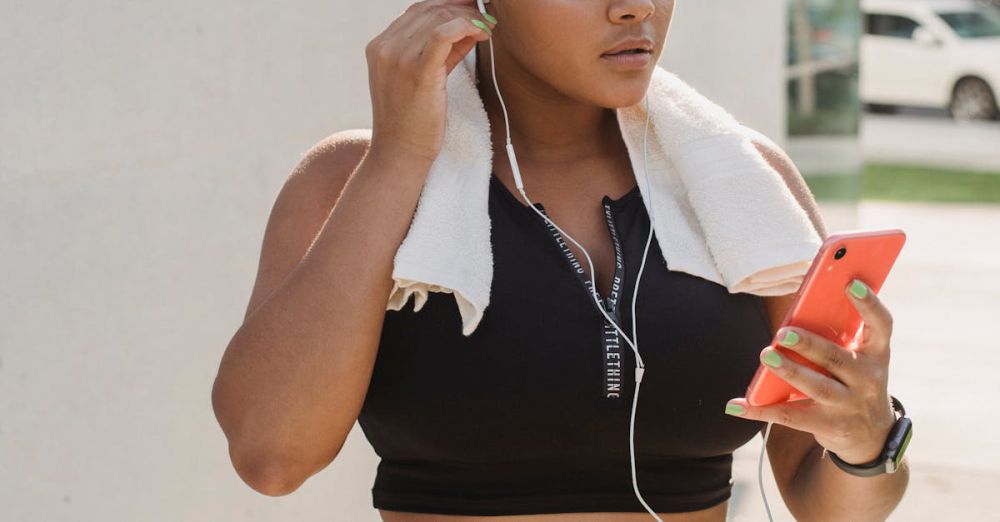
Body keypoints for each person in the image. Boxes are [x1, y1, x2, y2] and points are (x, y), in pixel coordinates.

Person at [211, 1, 910, 520]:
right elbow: (272, 457)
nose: (633, 8)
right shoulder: (352, 180)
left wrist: (866, 438)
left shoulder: (745, 186)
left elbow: (828, 503)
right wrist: (399, 157)